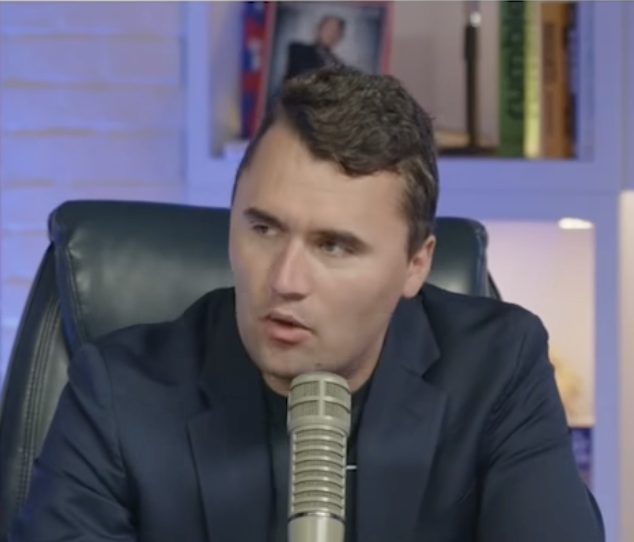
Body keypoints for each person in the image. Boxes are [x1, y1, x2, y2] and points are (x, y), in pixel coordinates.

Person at [10, 66, 603, 541]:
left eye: (334, 246)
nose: (285, 280)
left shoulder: (497, 370)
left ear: (416, 265)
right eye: (263, 229)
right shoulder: (118, 394)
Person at [284, 15, 346, 80]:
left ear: (340, 36)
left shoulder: (338, 63)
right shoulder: (299, 50)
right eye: (329, 28)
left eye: (336, 31)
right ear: (318, 29)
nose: (331, 34)